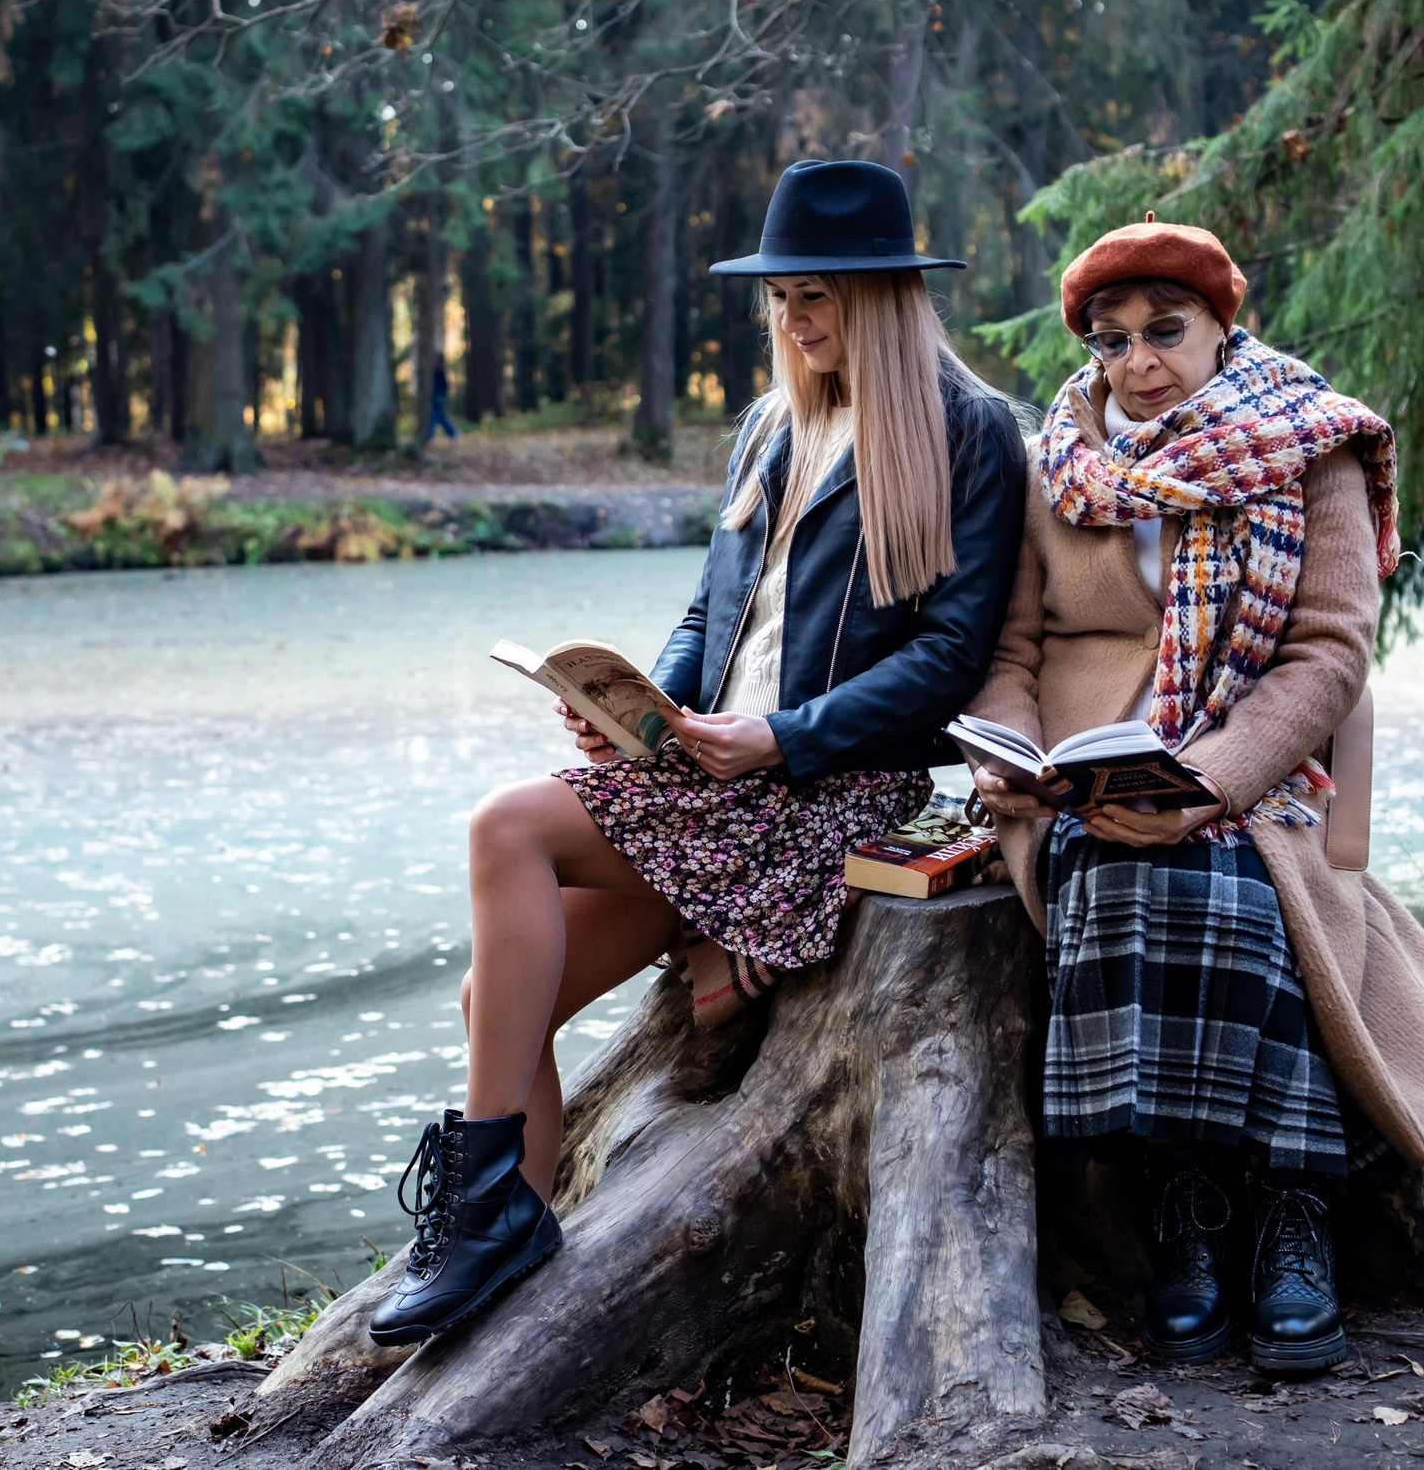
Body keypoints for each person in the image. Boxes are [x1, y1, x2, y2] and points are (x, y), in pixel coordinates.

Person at [369, 159, 1029, 1347]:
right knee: (492, 1002)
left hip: (826, 792)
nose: (790, 320)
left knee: (503, 828)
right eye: (778, 297)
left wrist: (777, 735)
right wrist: (643, 711)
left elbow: (950, 661)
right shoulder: (775, 429)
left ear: (882, 296)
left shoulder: (969, 433)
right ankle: (507, 1228)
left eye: (815, 296)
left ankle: (482, 1215)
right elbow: (706, 613)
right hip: (711, 781)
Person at [964, 215, 1424, 1375]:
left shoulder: (1311, 443)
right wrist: (1012, 756)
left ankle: (1290, 1212)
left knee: (1230, 879)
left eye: (1163, 332)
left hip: (1259, 770)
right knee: (1114, 866)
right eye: (1110, 340)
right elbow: (1012, 649)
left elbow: (1331, 655)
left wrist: (1209, 781)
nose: (1134, 362)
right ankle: (1187, 1208)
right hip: (1080, 783)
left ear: (1219, 328)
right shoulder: (1060, 455)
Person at [429, 355, 461, 440]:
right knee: (437, 416)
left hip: (439, 398)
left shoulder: (440, 371)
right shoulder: (436, 371)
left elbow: (445, 386)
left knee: (437, 416)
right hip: (436, 397)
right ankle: (453, 433)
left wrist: (440, 394)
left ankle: (452, 433)